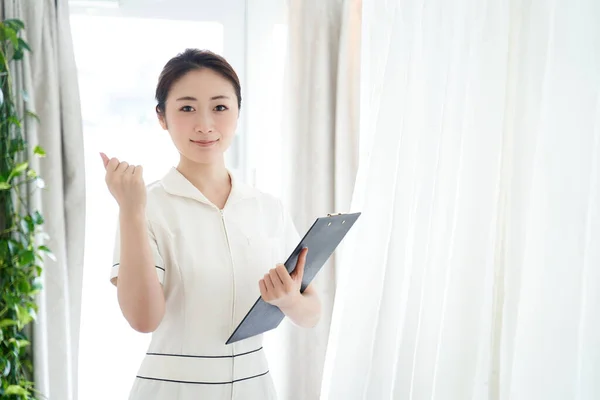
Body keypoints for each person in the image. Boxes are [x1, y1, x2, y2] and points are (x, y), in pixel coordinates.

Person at [100, 48, 321, 400]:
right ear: (162, 117)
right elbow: (143, 319)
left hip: (254, 388)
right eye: (187, 108)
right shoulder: (147, 206)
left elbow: (310, 313)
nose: (205, 124)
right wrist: (130, 210)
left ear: (238, 112)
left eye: (220, 107)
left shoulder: (267, 207)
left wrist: (290, 299)